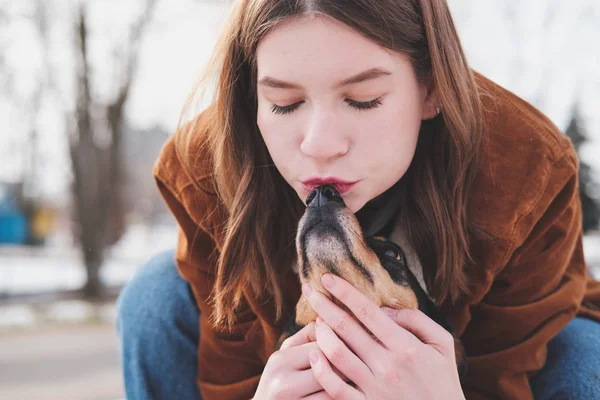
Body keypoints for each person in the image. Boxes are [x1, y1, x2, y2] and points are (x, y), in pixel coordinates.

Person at [116, 0, 600, 399]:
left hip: (482, 367)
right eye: (284, 103)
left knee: (584, 352)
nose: (320, 144)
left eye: (363, 99)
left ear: (433, 87)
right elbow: (233, 376)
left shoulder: (528, 170)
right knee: (155, 294)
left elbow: (500, 381)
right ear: (250, 98)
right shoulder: (206, 168)